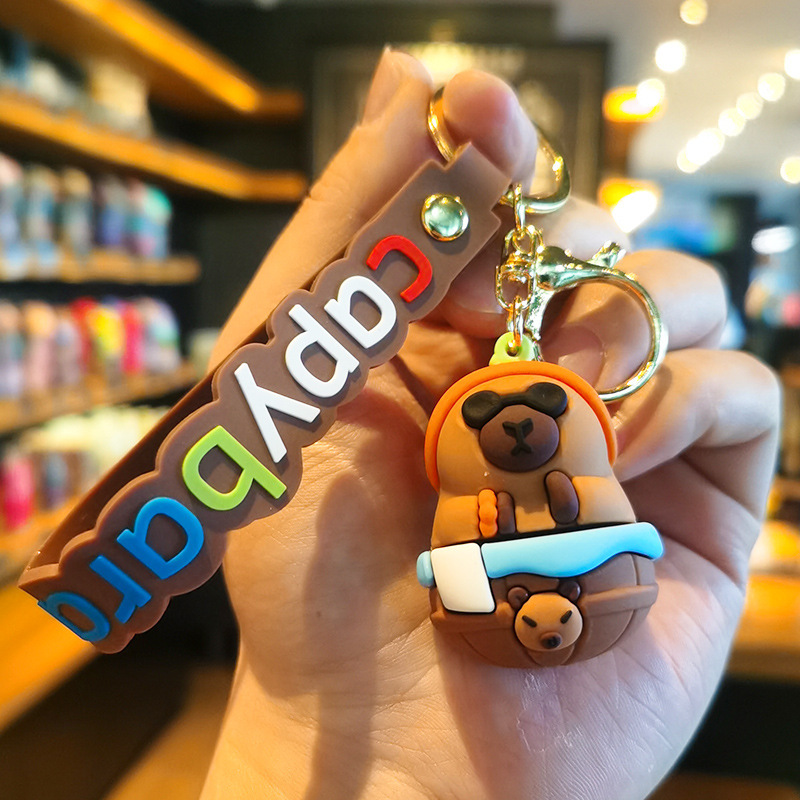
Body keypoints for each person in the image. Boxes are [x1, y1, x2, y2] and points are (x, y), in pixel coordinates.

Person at [201, 50, 780, 800]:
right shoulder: (457, 504)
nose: (517, 432)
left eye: (545, 411)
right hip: (477, 599)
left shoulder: (593, 485)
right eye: (483, 422)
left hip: (577, 582)